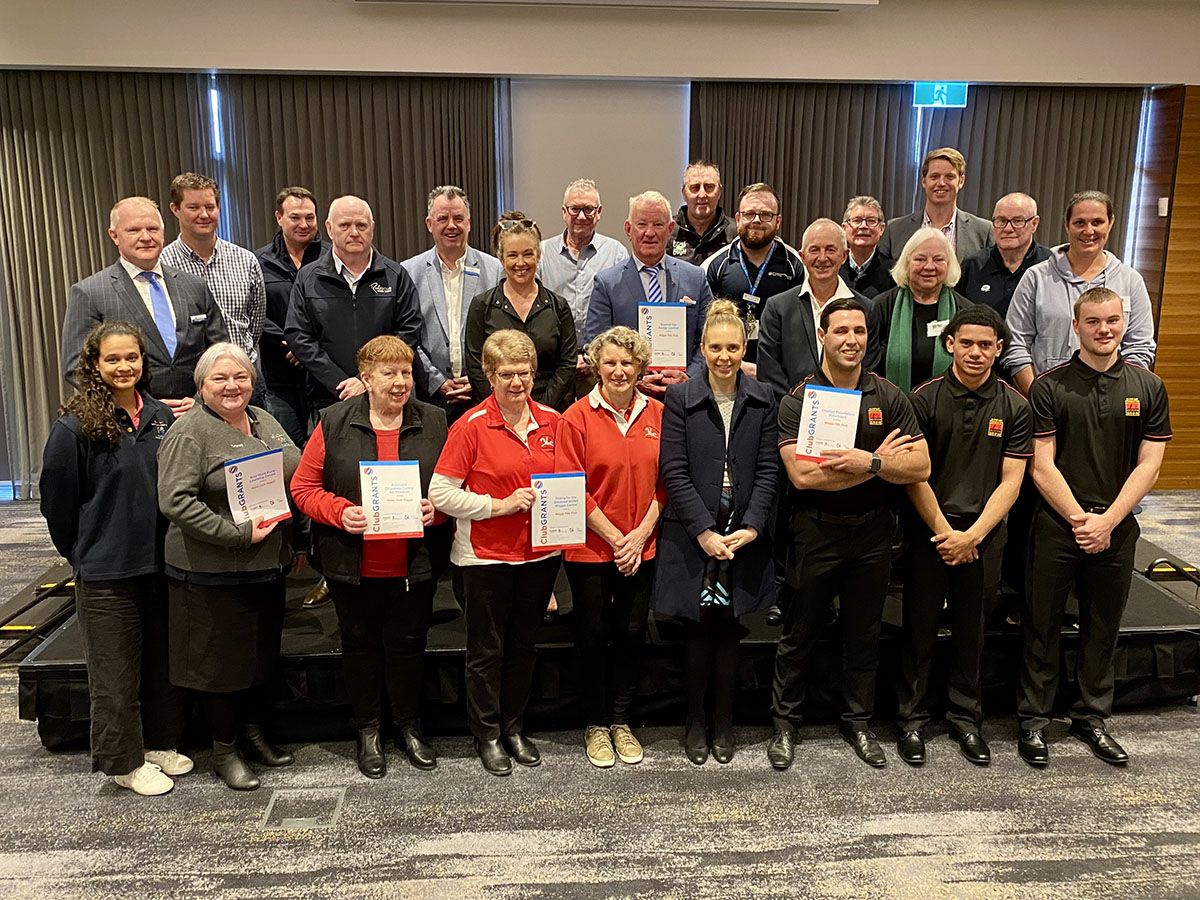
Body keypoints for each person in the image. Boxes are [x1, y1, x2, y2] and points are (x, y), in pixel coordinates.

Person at [768, 298, 930, 770]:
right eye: (841, 331)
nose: (851, 341)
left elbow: (919, 465)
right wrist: (878, 466)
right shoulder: (800, 399)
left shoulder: (889, 396)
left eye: (859, 331)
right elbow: (803, 477)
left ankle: (857, 722)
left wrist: (870, 461)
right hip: (814, 532)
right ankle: (784, 724)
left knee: (864, 636)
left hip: (873, 536)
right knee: (799, 635)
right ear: (823, 335)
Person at [1017, 287, 1171, 768]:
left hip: (1117, 526)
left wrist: (1108, 520)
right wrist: (1082, 520)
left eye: (1112, 321)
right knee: (1041, 624)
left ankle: (1092, 718)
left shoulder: (1148, 387)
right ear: (1076, 327)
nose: (1104, 330)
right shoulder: (1049, 386)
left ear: (1123, 323)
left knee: (1103, 627)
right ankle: (1034, 720)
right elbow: (1041, 465)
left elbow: (1150, 464)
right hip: (1059, 526)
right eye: (1093, 322)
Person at [290, 336, 448, 779]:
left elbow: (455, 485)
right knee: (360, 648)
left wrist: (438, 508)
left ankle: (409, 726)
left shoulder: (436, 420)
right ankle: (368, 731)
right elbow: (303, 489)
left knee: (409, 646)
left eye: (406, 372)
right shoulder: (334, 421)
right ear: (365, 378)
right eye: (388, 373)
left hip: (414, 563)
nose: (400, 382)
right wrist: (340, 513)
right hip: (352, 563)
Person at [40, 322, 188, 796]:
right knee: (115, 671)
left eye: (132, 358)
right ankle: (122, 760)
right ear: (95, 365)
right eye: (113, 359)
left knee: (160, 661)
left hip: (160, 564)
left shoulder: (162, 417)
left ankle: (158, 743)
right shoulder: (74, 425)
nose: (124, 367)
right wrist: (82, 552)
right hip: (107, 569)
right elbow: (57, 503)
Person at [157, 342, 301, 791]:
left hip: (267, 562)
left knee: (259, 655)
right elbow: (175, 501)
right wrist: (236, 535)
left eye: (240, 376)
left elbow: (298, 468)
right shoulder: (190, 432)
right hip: (212, 567)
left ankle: (254, 735)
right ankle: (224, 749)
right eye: (219, 378)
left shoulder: (266, 420)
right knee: (221, 665)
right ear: (201, 386)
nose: (232, 386)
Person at [896, 305, 1031, 767]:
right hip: (930, 532)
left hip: (984, 535)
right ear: (949, 344)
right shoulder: (923, 400)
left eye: (986, 345)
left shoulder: (1015, 405)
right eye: (967, 343)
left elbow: (1012, 481)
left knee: (973, 632)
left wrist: (972, 535)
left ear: (999, 349)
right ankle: (911, 720)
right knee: (919, 628)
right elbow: (914, 475)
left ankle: (965, 720)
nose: (976, 353)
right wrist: (946, 532)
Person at [428, 330, 563, 776]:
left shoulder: (552, 421)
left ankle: (514, 727)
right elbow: (441, 494)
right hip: (484, 558)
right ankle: (486, 733)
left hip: (538, 558)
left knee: (523, 648)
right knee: (486, 651)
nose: (516, 383)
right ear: (488, 375)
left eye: (524, 373)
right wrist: (497, 507)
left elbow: (567, 488)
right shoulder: (469, 425)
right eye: (506, 374)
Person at [655, 300, 779, 765]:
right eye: (715, 347)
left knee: (730, 630)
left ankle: (724, 723)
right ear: (702, 349)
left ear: (744, 348)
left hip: (741, 533)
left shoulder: (763, 396)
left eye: (732, 347)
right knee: (697, 629)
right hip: (695, 534)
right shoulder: (680, 398)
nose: (724, 356)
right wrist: (704, 531)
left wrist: (751, 526)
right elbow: (673, 469)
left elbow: (768, 471)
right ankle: (694, 722)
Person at [555, 326, 664, 769]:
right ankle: (596, 724)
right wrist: (618, 538)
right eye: (611, 362)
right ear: (597, 366)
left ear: (640, 368)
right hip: (591, 551)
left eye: (627, 363)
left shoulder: (659, 413)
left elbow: (668, 484)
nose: (619, 371)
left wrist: (639, 537)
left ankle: (621, 720)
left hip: (643, 546)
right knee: (593, 635)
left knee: (632, 633)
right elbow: (570, 487)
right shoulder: (575, 418)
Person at [60, 196, 229, 414]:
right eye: (133, 230)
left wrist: (201, 400)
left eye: (153, 229)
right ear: (114, 236)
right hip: (132, 423)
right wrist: (141, 406)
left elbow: (220, 352)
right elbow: (77, 367)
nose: (146, 237)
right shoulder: (90, 293)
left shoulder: (194, 286)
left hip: (197, 415)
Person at [1004, 190, 1156, 395]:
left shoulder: (1130, 280)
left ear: (1110, 223)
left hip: (1111, 401)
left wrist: (1117, 395)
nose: (1089, 230)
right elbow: (1015, 344)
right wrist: (1039, 397)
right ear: (1067, 225)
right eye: (1080, 223)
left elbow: (1139, 347)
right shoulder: (1036, 277)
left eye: (1097, 222)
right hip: (1047, 402)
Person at [285, 194, 424, 416]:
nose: (354, 232)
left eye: (361, 225)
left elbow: (410, 331)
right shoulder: (308, 278)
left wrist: (366, 381)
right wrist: (340, 383)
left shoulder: (396, 276)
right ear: (329, 229)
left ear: (372, 228)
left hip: (388, 396)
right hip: (329, 398)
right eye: (345, 225)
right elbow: (299, 336)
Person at [586, 191, 715, 396]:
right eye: (642, 224)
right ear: (628, 229)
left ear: (670, 228)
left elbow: (710, 338)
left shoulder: (695, 278)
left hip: (686, 396)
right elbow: (595, 346)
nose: (649, 232)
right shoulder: (607, 283)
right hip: (627, 397)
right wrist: (632, 377)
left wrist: (690, 377)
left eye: (658, 224)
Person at [161, 172, 266, 402]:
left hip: (244, 383)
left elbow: (255, 325)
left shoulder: (245, 260)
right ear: (175, 209)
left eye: (210, 206)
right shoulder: (161, 265)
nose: (204, 215)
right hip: (190, 391)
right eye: (194, 207)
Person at [402, 185, 504, 418]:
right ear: (429, 224)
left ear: (468, 222)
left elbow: (501, 334)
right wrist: (435, 380)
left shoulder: (495, 270)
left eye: (458, 218)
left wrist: (479, 377)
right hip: (428, 399)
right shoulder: (408, 272)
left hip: (482, 396)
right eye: (442, 218)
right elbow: (408, 335)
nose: (451, 225)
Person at [464, 213, 577, 412]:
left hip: (550, 410)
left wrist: (540, 410)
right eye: (512, 255)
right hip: (496, 411)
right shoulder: (481, 306)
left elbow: (567, 364)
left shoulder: (559, 306)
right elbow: (475, 366)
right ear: (500, 258)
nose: (521, 263)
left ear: (538, 256)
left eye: (527, 254)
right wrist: (502, 407)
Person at [759, 217, 868, 401]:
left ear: (844, 255)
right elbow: (770, 373)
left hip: (849, 417)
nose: (822, 258)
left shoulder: (866, 309)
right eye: (814, 250)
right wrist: (799, 410)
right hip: (791, 418)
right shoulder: (778, 308)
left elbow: (869, 370)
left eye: (831, 250)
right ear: (802, 257)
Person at [537, 178, 630, 396]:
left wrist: (592, 356)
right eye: (575, 209)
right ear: (563, 211)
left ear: (599, 212)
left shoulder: (616, 253)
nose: (581, 216)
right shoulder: (542, 254)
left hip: (601, 369)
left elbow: (622, 312)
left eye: (588, 209)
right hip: (553, 367)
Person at [700, 182, 803, 372]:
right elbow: (704, 327)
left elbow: (801, 328)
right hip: (726, 369)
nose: (756, 220)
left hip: (779, 371)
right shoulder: (714, 265)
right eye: (749, 214)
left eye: (765, 215)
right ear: (738, 218)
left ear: (778, 222)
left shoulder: (796, 265)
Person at [255, 186, 324, 448]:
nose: (304, 224)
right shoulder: (257, 262)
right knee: (286, 453)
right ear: (278, 217)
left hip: (323, 378)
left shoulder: (332, 258)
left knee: (323, 453)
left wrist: (308, 348)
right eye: (295, 217)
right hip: (278, 378)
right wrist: (294, 343)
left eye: (310, 217)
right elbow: (255, 315)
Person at [867, 227, 973, 391]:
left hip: (949, 409)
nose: (929, 267)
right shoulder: (881, 306)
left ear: (949, 265)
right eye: (920, 259)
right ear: (906, 262)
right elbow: (867, 366)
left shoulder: (965, 312)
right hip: (891, 407)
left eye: (938, 259)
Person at [877, 148, 993, 263]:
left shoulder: (983, 231)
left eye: (949, 177)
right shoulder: (895, 230)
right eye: (934, 176)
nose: (941, 183)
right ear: (923, 181)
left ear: (961, 181)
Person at [957, 192, 1051, 318]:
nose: (1008, 229)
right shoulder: (973, 265)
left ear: (1034, 224)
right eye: (1001, 221)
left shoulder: (1050, 265)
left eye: (1018, 221)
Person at [666, 161, 738, 265]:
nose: (702, 194)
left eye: (709, 187)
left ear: (719, 192)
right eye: (695, 188)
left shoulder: (736, 233)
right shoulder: (668, 231)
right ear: (684, 193)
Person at [840, 196, 895, 298]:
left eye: (871, 221)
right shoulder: (834, 268)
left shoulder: (893, 272)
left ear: (881, 229)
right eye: (857, 220)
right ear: (844, 228)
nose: (864, 226)